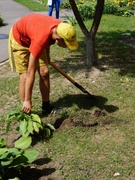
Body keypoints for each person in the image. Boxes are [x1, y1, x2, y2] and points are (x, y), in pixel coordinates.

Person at [8, 14, 78, 115]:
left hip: (35, 35)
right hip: (19, 40)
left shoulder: (60, 28)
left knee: (44, 72)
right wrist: (28, 99)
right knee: (24, 77)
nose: (67, 46)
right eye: (67, 44)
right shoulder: (40, 40)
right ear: (58, 38)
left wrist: (48, 56)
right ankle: (25, 112)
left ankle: (46, 107)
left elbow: (48, 40)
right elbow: (30, 73)